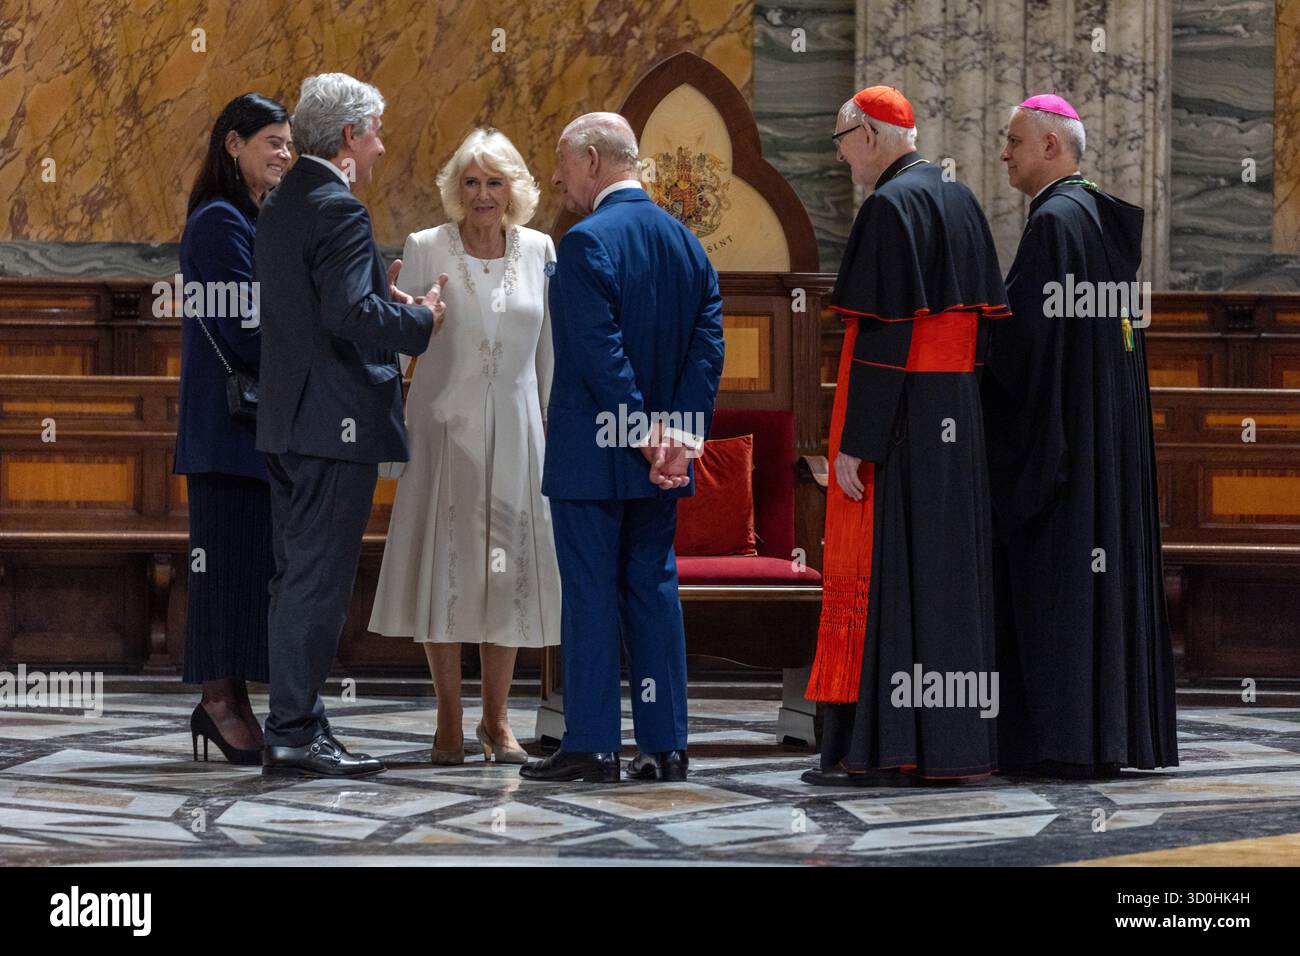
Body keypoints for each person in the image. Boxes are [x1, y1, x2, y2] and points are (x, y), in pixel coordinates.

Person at [802, 86, 1010, 786]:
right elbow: (981, 329)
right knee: (945, 580)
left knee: (890, 577)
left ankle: (885, 746)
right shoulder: (960, 196)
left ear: (868, 134)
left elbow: (886, 333)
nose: (840, 159)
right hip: (956, 416)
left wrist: (860, 441)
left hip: (903, 423)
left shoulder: (890, 206)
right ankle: (950, 745)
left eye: (840, 142)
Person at [519, 112, 724, 784]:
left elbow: (601, 357)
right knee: (653, 592)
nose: (555, 176)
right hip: (662, 467)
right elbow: (706, 349)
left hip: (595, 464)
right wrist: (679, 439)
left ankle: (594, 745)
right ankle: (665, 746)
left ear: (590, 158)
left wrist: (639, 437)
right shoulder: (687, 245)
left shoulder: (584, 244)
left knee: (589, 596)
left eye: (560, 160)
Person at [981, 94, 1178, 777]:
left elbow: (1025, 352)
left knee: (1059, 588)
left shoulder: (1056, 224)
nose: (1003, 153)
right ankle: (1103, 736)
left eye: (1013, 141)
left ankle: (1062, 741)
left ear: (1050, 147)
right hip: (1104, 443)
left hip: (1065, 454)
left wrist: (971, 339)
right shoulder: (1095, 216)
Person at [255, 73, 444, 777]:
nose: (381, 145)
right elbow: (348, 317)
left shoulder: (284, 201)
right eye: (374, 133)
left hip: (287, 422)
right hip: (330, 425)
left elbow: (319, 303)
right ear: (347, 136)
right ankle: (296, 733)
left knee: (295, 579)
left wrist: (375, 293)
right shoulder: (338, 208)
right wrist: (420, 318)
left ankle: (300, 724)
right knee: (315, 583)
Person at [368, 128, 561, 765]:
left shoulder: (539, 248)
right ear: (457, 189)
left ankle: (498, 722)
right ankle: (448, 722)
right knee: (444, 572)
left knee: (507, 577)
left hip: (518, 427)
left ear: (515, 190)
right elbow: (396, 342)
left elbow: (547, 354)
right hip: (441, 428)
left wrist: (550, 432)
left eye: (495, 181)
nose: (483, 194)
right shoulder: (426, 247)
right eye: (472, 182)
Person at [176, 93, 291, 766]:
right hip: (225, 433)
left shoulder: (251, 217)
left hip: (250, 432)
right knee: (220, 570)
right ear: (233, 145)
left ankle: (233, 699)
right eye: (271, 141)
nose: (282, 153)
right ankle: (218, 701)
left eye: (287, 143)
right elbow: (244, 332)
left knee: (246, 571)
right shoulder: (219, 222)